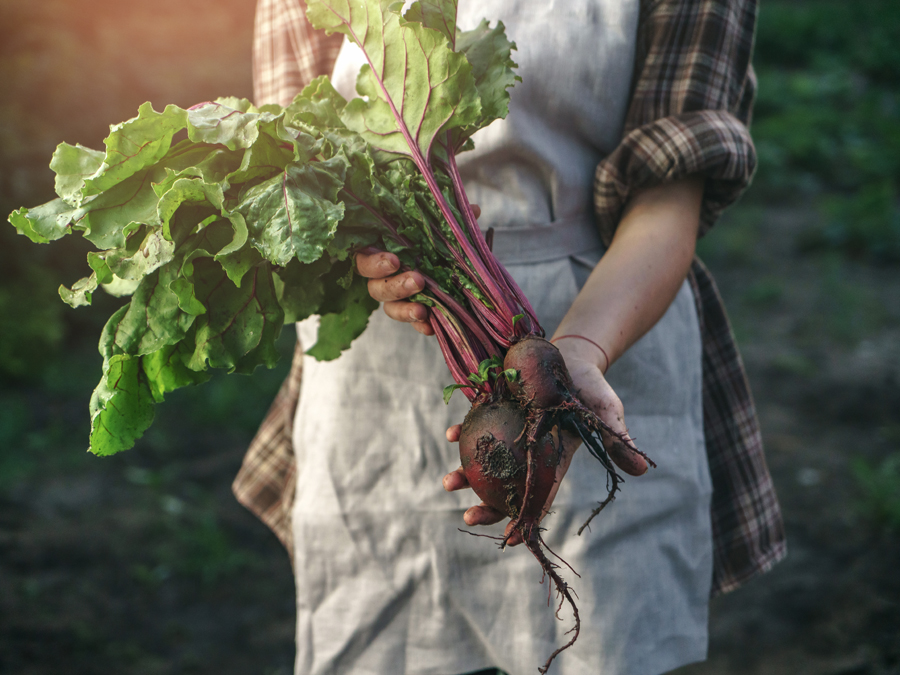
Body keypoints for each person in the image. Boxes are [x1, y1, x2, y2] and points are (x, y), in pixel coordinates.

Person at [233, 1, 787, 673]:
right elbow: (292, 167)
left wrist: (578, 352)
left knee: (610, 645)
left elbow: (670, 196)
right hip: (378, 380)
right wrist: (365, 262)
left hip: (614, 323)